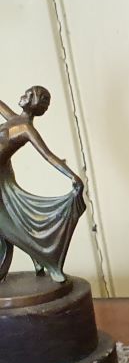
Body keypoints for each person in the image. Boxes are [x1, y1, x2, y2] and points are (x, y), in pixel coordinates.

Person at [0, 86, 86, 282]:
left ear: (34, 103)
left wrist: (73, 176)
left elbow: (48, 156)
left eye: (28, 95)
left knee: (4, 224)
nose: (23, 96)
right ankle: (36, 257)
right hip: (2, 174)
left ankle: (45, 258)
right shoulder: (14, 118)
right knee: (7, 221)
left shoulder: (26, 129)